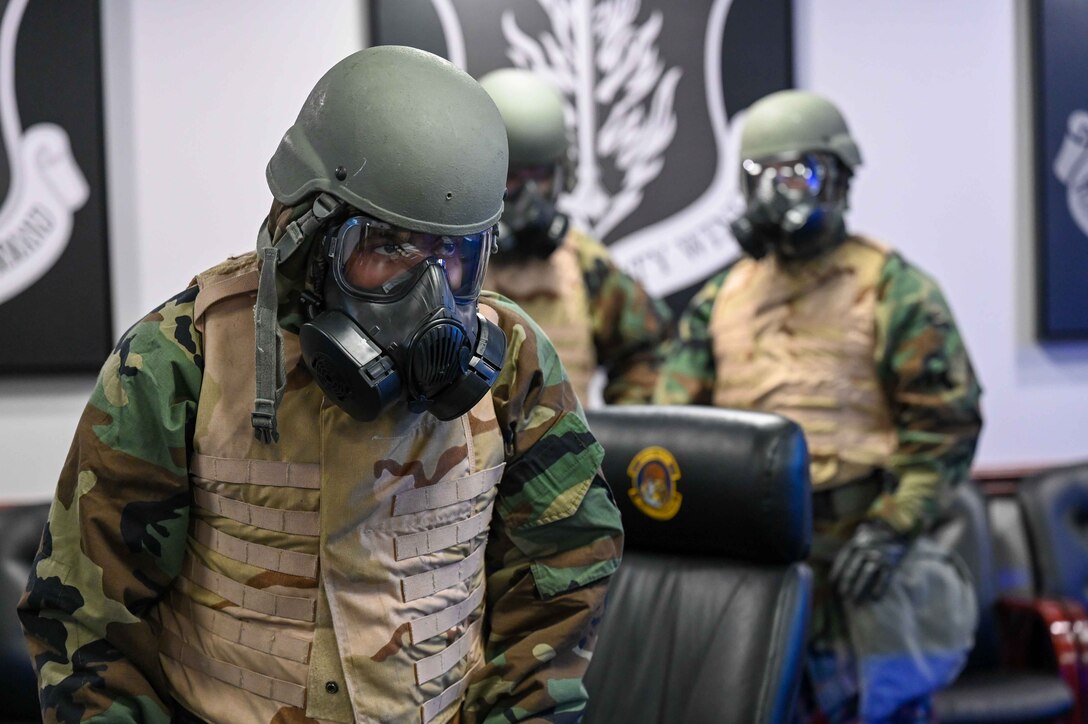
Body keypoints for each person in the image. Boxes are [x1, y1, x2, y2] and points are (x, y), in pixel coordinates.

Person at [18, 46, 623, 724]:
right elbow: (85, 615)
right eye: (388, 246)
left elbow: (566, 567)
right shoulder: (180, 360)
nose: (429, 301)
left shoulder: (513, 365)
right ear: (309, 235)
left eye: (453, 256)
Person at [654, 89, 983, 722]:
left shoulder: (895, 289)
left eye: (801, 174)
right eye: (765, 177)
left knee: (869, 708)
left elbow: (945, 431)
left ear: (839, 180)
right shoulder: (720, 299)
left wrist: (891, 530)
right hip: (751, 561)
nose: (783, 194)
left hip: (859, 561)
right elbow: (677, 432)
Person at [478, 68, 671, 406]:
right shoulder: (447, 257)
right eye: (511, 178)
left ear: (562, 176)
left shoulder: (584, 262)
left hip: (560, 457)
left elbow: (648, 351)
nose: (528, 196)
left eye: (539, 177)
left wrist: (619, 433)